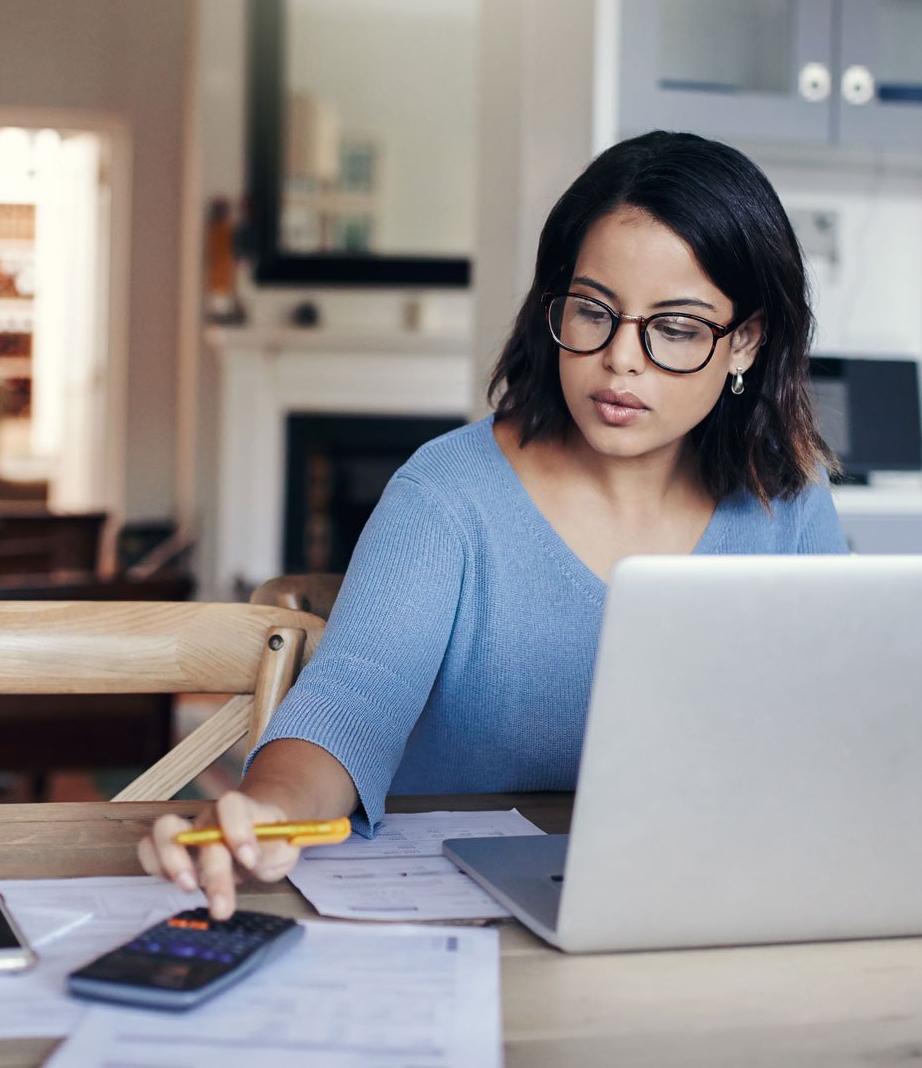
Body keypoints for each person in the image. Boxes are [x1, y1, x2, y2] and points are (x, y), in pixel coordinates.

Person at [140, 131, 846, 918]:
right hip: (459, 919)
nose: (621, 359)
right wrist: (267, 811)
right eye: (593, 311)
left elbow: (838, 730)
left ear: (744, 340)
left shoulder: (788, 500)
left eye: (676, 328)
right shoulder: (445, 496)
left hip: (700, 905)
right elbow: (349, 703)